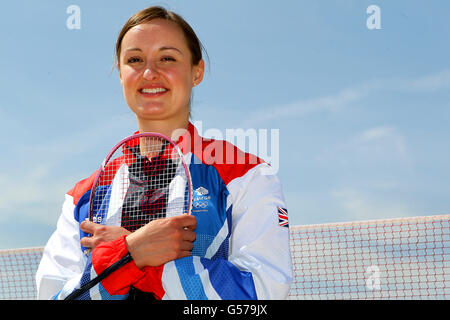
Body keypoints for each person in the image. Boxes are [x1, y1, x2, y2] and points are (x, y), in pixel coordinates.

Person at [36, 6, 293, 300]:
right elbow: (52, 295)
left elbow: (263, 294)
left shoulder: (247, 175)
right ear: (120, 74)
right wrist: (129, 251)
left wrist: (147, 263)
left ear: (197, 71)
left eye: (167, 58)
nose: (149, 72)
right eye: (134, 60)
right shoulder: (80, 197)